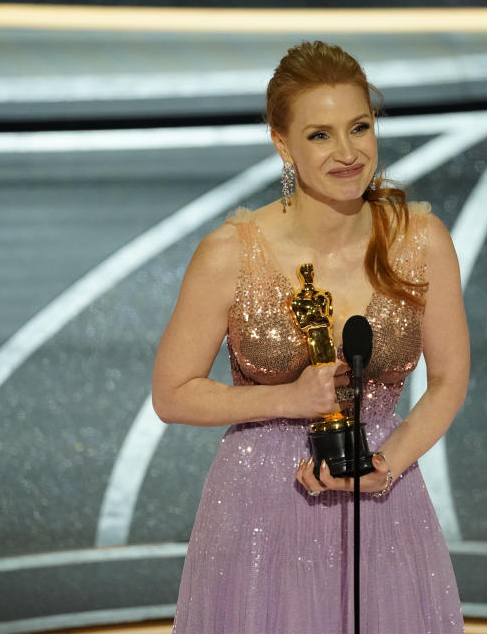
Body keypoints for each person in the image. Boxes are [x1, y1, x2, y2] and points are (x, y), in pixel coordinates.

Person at [152, 40, 470, 634]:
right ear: (282, 142)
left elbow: (450, 380)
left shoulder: (422, 241)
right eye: (321, 135)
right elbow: (172, 394)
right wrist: (285, 399)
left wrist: (388, 463)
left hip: (383, 496)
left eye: (360, 127)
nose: (348, 153)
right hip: (258, 511)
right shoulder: (230, 254)